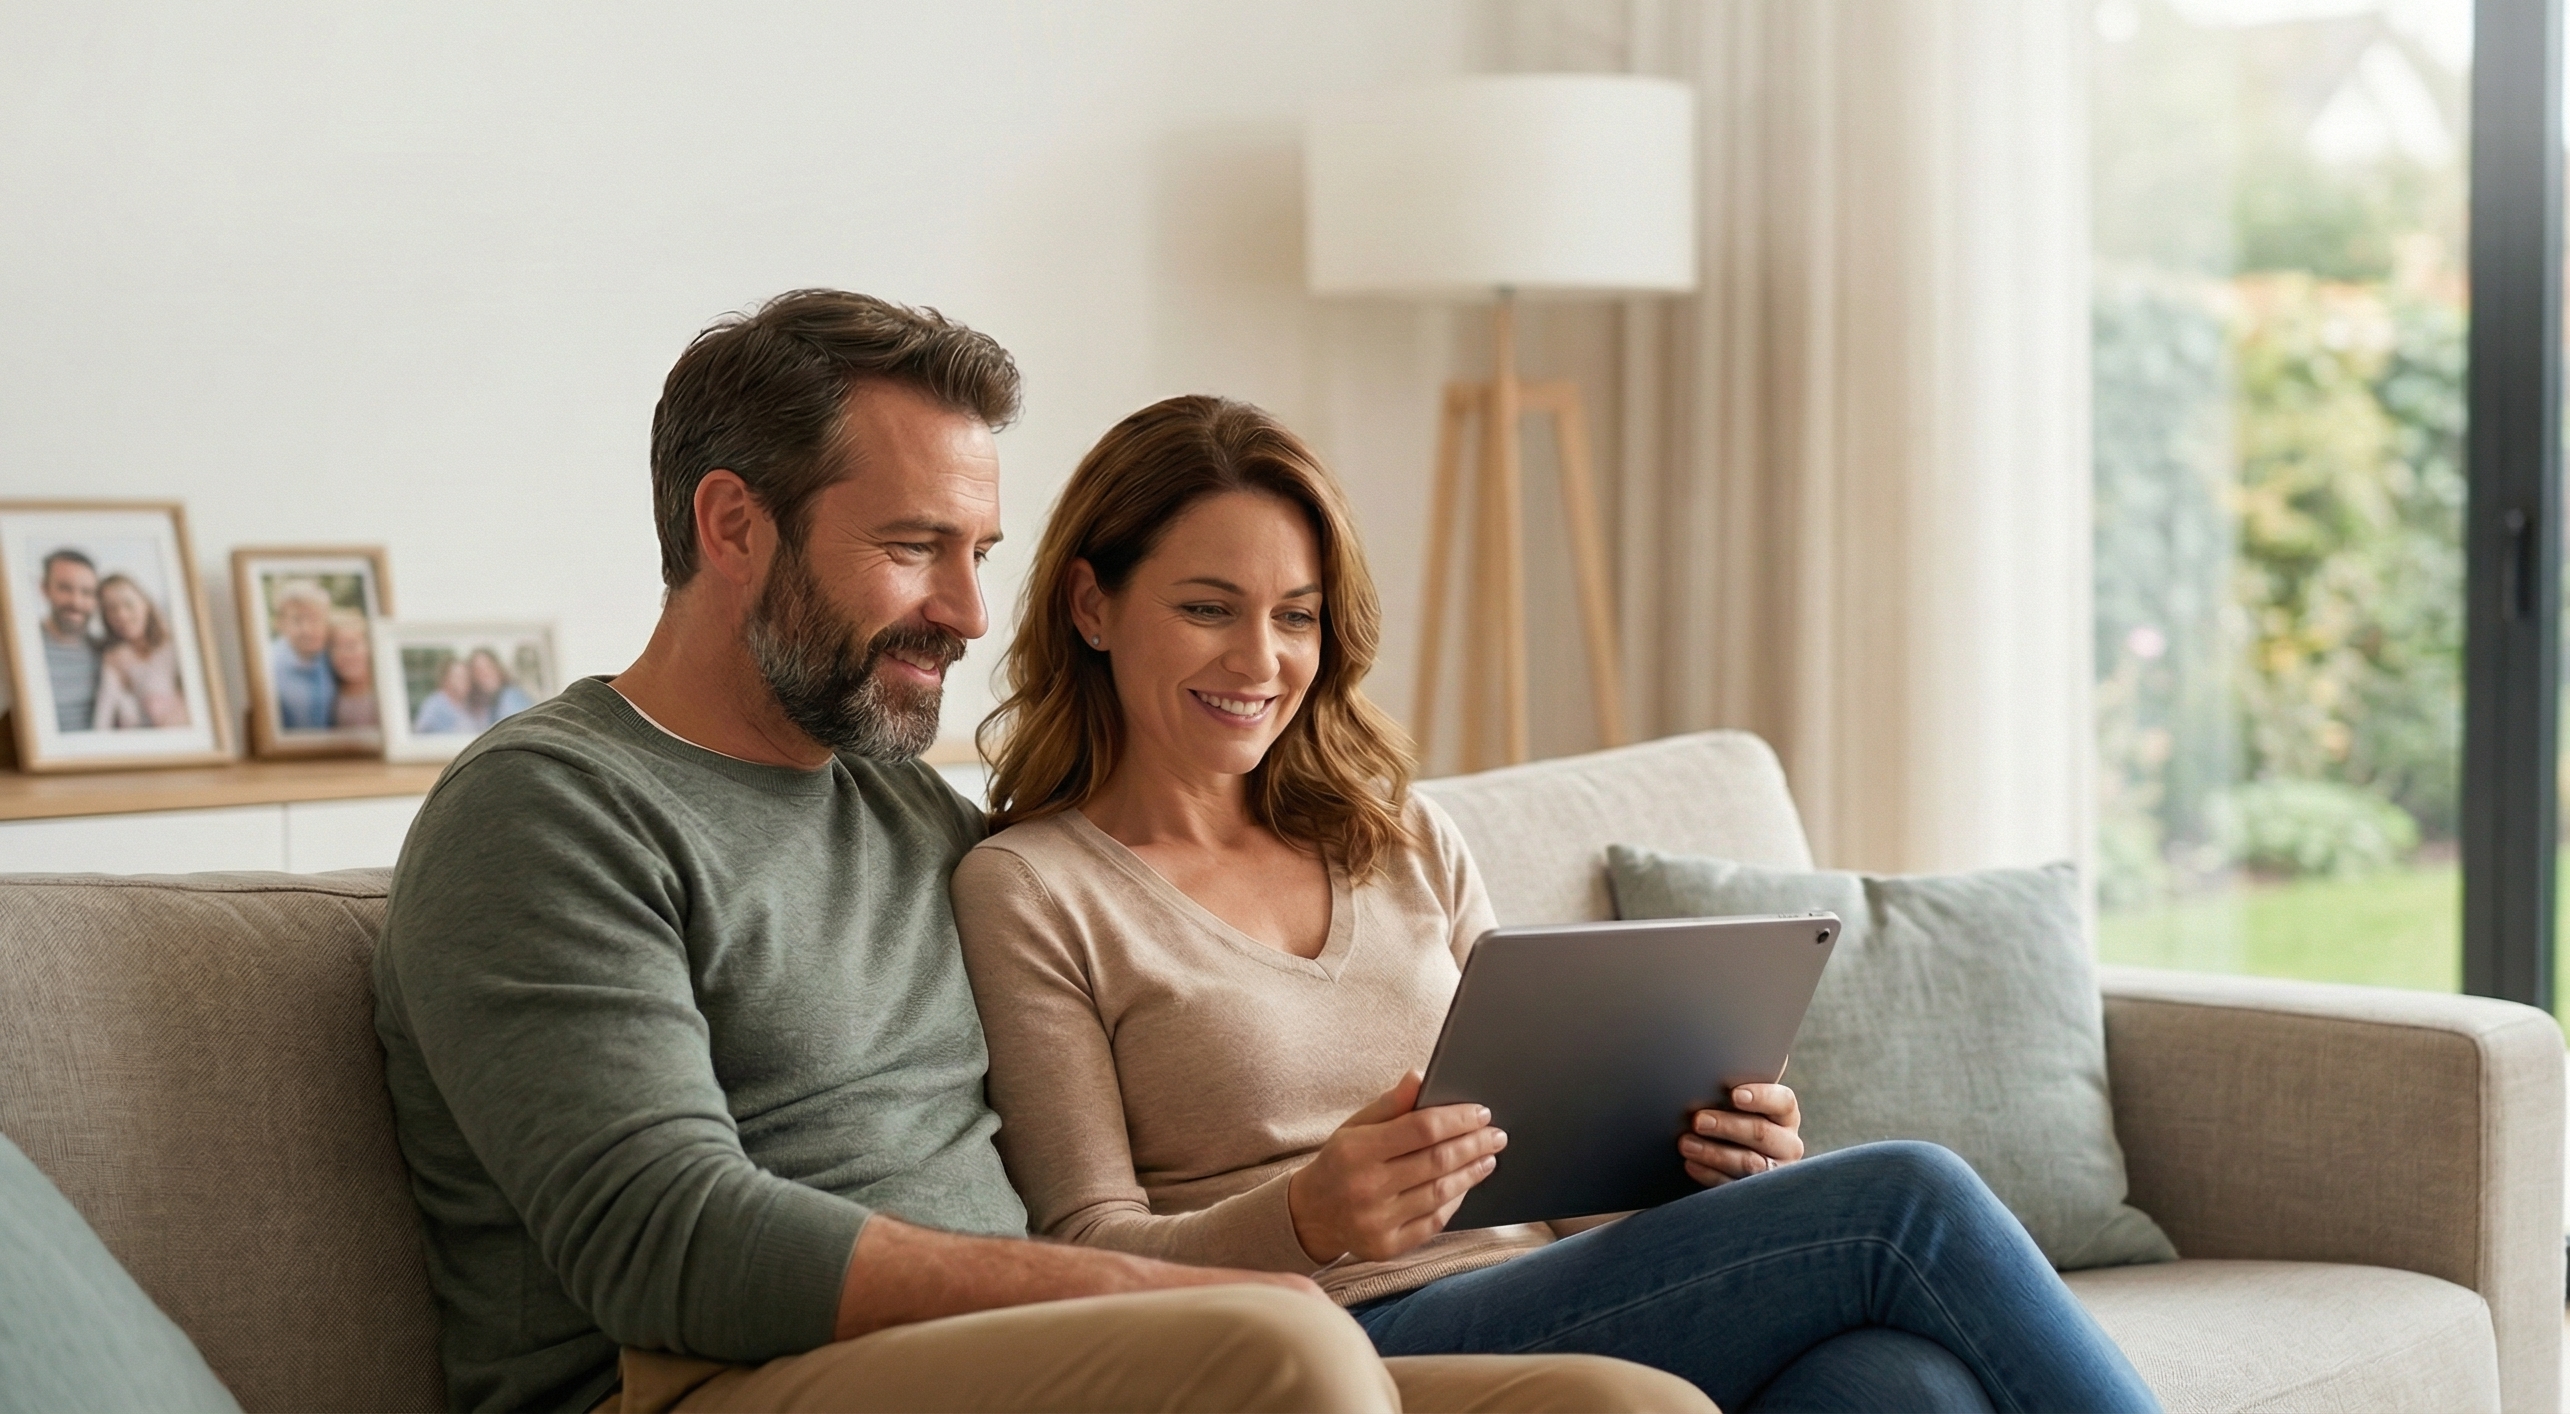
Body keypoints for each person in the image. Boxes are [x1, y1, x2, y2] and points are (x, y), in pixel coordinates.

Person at [371, 290, 1704, 1414]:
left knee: (1620, 1401)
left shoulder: (911, 817)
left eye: (978, 554)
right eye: (910, 549)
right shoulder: (551, 811)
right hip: (704, 1378)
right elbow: (667, 1244)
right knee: (1288, 1347)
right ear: (732, 526)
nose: (962, 611)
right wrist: (1152, 1290)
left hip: (1007, 1359)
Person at [950, 396, 2162, 1414]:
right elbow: (1081, 1254)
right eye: (1207, 607)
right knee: (1907, 1199)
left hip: (1546, 1288)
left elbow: (1548, 1157)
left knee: (1897, 1386)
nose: (1259, 661)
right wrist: (1307, 1216)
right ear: (1092, 606)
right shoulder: (1035, 890)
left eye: (1296, 616)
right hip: (1325, 1348)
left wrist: (1701, 1165)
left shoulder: (1396, 833)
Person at [90, 573, 192, 729]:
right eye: (111, 609)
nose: (121, 615)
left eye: (128, 604)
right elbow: (102, 718)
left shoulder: (177, 647)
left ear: (145, 603)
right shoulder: (113, 658)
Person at [35, 550, 102, 732]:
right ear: (45, 589)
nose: (76, 602)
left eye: (87, 592)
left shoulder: (104, 652)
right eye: (65, 588)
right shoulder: (19, 648)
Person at [269, 579, 337, 731]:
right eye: (297, 620)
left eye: (315, 619)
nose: (307, 629)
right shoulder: (268, 665)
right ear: (281, 623)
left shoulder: (333, 657)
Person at [328, 610, 380, 730]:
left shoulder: (383, 695)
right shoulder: (330, 698)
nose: (344, 654)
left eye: (351, 645)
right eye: (336, 647)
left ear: (370, 648)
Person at [465, 646, 536, 724]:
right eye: (478, 670)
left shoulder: (510, 695)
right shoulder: (482, 704)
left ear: (497, 668)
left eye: (488, 667)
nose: (484, 673)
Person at [410, 657, 479, 736]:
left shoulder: (467, 706)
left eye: (467, 677)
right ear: (445, 680)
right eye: (459, 676)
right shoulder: (434, 706)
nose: (465, 681)